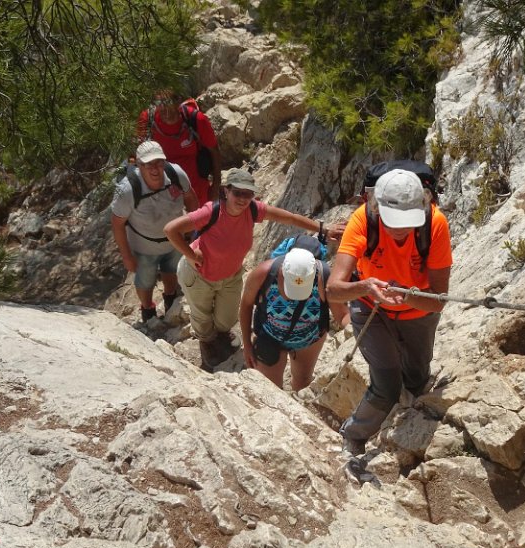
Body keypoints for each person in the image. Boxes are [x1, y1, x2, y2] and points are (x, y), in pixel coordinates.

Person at [327, 168, 453, 456]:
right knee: (386, 383)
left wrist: (407, 295)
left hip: (418, 314)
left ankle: (409, 427)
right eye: (394, 220)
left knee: (418, 377)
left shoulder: (434, 224)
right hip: (371, 308)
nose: (400, 229)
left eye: (407, 221)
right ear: (376, 207)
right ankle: (353, 437)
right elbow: (333, 290)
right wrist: (365, 287)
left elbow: (438, 299)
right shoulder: (363, 221)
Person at [163, 167, 328, 372]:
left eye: (248, 194)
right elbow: (170, 230)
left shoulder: (253, 210)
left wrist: (322, 229)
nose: (242, 199)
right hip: (199, 275)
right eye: (238, 192)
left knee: (226, 318)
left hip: (230, 276)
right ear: (226, 191)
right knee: (202, 316)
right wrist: (190, 254)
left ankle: (221, 336)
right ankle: (207, 344)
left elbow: (291, 218)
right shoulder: (211, 211)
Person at [239, 245, 349, 391]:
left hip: (309, 339)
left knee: (303, 382)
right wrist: (247, 345)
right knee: (269, 388)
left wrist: (356, 332)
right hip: (270, 338)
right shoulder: (264, 274)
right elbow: (246, 305)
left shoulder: (324, 278)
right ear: (283, 271)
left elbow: (342, 315)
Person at [111, 140, 199, 323]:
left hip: (175, 241)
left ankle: (170, 297)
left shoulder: (175, 174)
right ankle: (148, 308)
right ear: (138, 165)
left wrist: (192, 231)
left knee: (171, 271)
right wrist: (126, 256)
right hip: (144, 247)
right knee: (145, 280)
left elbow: (190, 197)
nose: (155, 168)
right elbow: (117, 224)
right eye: (148, 164)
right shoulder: (127, 190)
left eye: (159, 162)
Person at [138, 89, 221, 204]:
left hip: (197, 190)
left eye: (168, 102)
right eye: (159, 103)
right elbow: (137, 154)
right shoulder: (147, 120)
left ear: (178, 101)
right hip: (162, 193)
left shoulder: (195, 119)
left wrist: (216, 186)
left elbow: (214, 152)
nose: (165, 110)